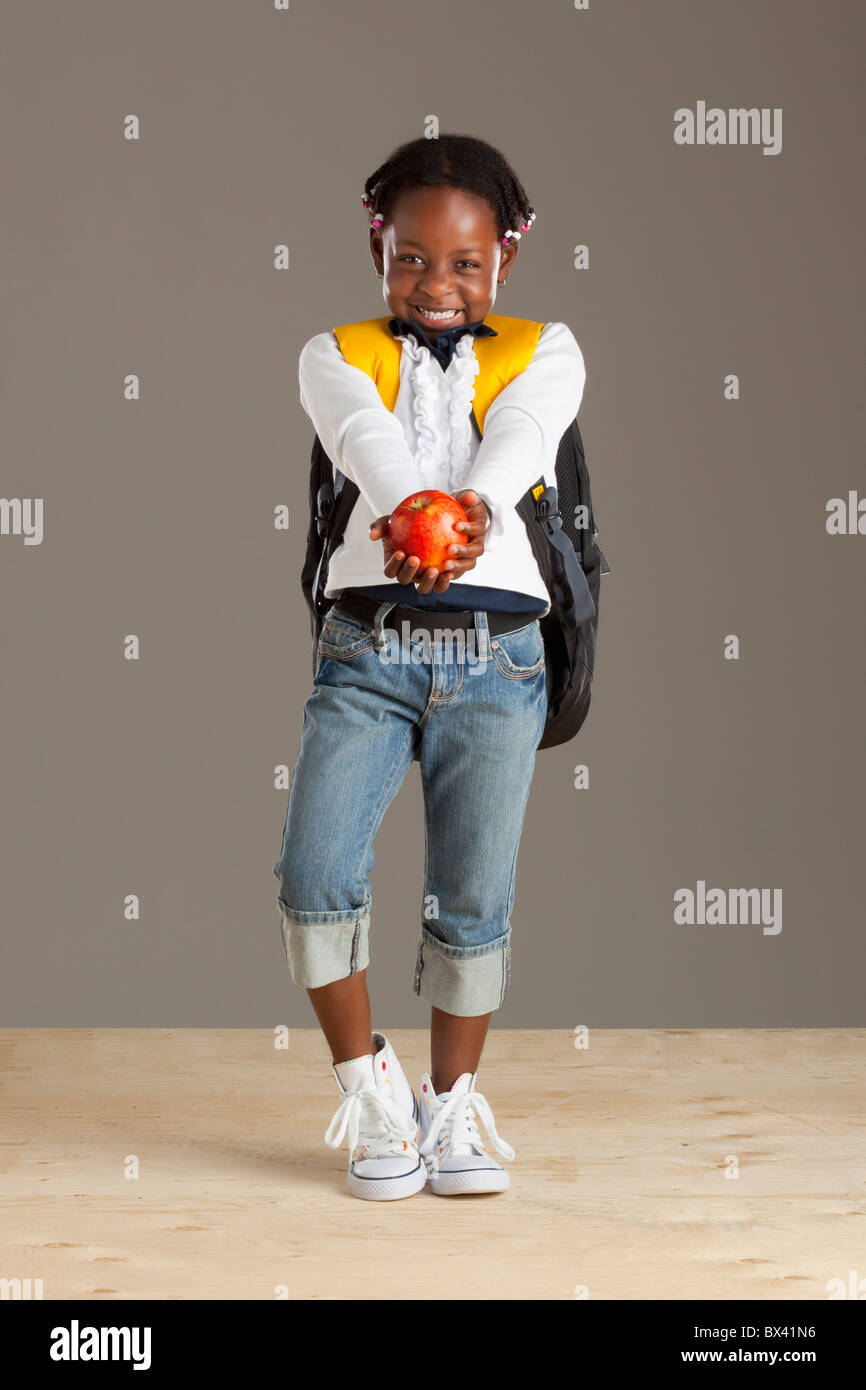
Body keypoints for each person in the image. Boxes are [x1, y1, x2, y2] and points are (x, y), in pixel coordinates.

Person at [273, 133, 587, 1200]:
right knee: (314, 877)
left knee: (472, 899)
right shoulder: (333, 349)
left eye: (463, 262)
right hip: (369, 649)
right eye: (410, 258)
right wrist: (415, 504)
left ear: (506, 254)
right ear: (377, 247)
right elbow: (365, 438)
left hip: (496, 657)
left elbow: (523, 436)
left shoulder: (546, 346)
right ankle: (369, 1086)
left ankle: (449, 1108)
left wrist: (471, 510)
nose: (435, 284)